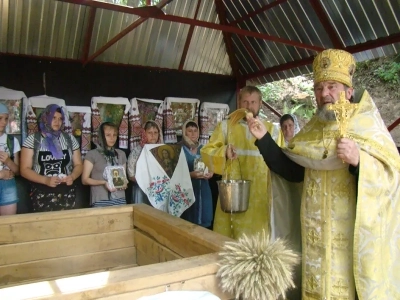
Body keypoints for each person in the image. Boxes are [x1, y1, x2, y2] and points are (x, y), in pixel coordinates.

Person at [247, 49, 400, 300]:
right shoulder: (311, 131)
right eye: (319, 88)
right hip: (314, 239)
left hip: (349, 241)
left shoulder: (368, 127)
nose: (324, 94)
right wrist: (264, 139)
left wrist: (359, 161)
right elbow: (293, 172)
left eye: (332, 86)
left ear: (348, 91)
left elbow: (392, 176)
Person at [201, 86, 284, 239]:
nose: (249, 106)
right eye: (245, 101)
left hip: (262, 195)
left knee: (259, 240)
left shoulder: (272, 130)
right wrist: (224, 151)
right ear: (239, 103)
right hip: (233, 194)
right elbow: (206, 152)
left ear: (260, 104)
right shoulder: (226, 127)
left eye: (253, 102)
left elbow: (283, 162)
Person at [20, 104, 83, 212]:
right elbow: (24, 170)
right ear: (45, 118)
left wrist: (72, 176)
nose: (57, 122)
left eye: (60, 119)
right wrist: (45, 180)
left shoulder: (69, 139)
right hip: (41, 193)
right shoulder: (33, 140)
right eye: (53, 118)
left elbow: (79, 165)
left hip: (66, 193)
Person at [82, 122, 127, 207]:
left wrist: (124, 184)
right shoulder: (92, 154)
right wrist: (104, 182)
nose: (112, 138)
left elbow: (123, 178)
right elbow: (84, 180)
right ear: (102, 136)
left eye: (114, 135)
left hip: (120, 199)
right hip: (100, 200)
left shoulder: (121, 154)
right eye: (108, 135)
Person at [179, 120, 214, 228]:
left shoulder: (204, 149)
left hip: (203, 191)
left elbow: (212, 167)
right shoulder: (178, 149)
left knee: (204, 222)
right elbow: (174, 174)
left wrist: (210, 173)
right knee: (188, 224)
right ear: (184, 133)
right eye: (190, 131)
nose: (193, 134)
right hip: (186, 192)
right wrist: (191, 175)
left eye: (195, 131)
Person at [127, 120, 162, 205]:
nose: (153, 135)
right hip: (141, 190)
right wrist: (146, 182)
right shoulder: (137, 151)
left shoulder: (162, 150)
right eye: (150, 133)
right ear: (144, 133)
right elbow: (131, 174)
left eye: (155, 132)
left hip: (159, 190)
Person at [0, 103, 20, 215]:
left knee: (8, 225)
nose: (3, 122)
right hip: (5, 178)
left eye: (6, 119)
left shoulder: (12, 141)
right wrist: (1, 174)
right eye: (0, 118)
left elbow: (18, 171)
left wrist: (8, 161)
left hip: (8, 187)